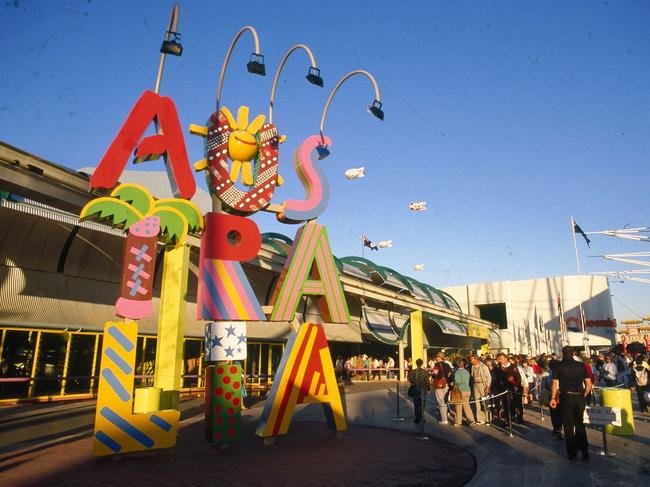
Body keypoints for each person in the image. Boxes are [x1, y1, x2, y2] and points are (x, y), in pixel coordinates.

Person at [550, 346, 593, 460]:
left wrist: (553, 398)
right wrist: (584, 394)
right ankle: (584, 450)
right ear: (573, 353)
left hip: (566, 396)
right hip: (579, 396)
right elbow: (588, 384)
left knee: (568, 425)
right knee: (580, 423)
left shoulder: (558, 366)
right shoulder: (581, 365)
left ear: (563, 353)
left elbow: (555, 384)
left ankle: (572, 453)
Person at [451, 357, 475, 426]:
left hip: (460, 390)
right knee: (467, 406)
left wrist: (452, 383)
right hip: (467, 390)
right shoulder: (466, 371)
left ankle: (458, 422)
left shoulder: (458, 372)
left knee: (458, 406)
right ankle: (471, 420)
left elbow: (457, 381)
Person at [431, 353, 453, 424]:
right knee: (445, 401)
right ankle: (445, 415)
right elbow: (450, 373)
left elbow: (435, 374)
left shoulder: (437, 365)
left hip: (439, 385)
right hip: (446, 384)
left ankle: (444, 419)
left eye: (437, 357)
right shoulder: (447, 365)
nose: (436, 358)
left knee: (441, 402)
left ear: (439, 357)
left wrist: (432, 376)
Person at [469, 355, 491, 424]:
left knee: (484, 402)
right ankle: (480, 419)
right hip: (475, 385)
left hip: (482, 385)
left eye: (472, 359)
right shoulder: (472, 366)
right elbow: (472, 376)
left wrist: (487, 386)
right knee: (477, 402)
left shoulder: (483, 366)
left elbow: (489, 377)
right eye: (471, 360)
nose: (471, 361)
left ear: (477, 359)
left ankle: (488, 418)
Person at [408, 358, 431, 423]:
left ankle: (417, 418)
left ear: (416, 363)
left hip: (415, 389)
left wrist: (414, 381)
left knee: (416, 404)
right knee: (422, 405)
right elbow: (427, 381)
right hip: (423, 389)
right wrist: (428, 389)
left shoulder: (413, 371)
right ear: (422, 364)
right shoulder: (424, 372)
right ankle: (422, 418)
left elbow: (410, 379)